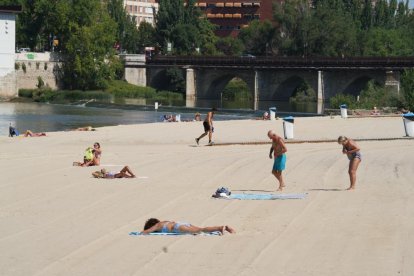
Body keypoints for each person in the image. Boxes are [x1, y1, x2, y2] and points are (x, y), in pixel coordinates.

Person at [141, 218, 235, 235]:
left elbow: (146, 232)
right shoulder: (164, 222)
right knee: (200, 229)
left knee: (200, 230)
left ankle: (221, 227)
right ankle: (223, 228)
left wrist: (141, 232)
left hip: (177, 228)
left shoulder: (158, 225)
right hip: (181, 224)